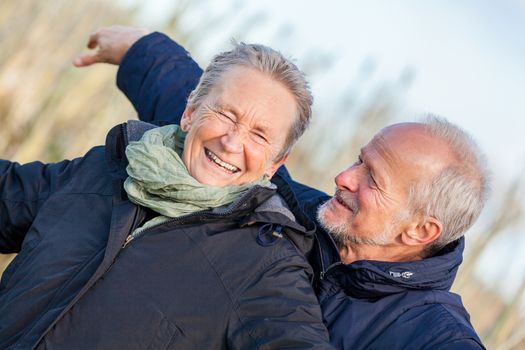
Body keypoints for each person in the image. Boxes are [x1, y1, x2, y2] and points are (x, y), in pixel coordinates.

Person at [87, 26, 490, 349]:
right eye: (358, 160)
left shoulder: (433, 336)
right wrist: (142, 50)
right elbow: (225, 129)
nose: (344, 178)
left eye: (373, 180)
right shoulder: (294, 214)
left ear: (421, 230)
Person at [0, 30, 334, 349]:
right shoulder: (108, 167)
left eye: (259, 135)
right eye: (224, 114)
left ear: (276, 162)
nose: (232, 143)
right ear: (190, 112)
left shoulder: (266, 269)